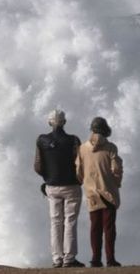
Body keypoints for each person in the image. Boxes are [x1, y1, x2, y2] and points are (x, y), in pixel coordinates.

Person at [34, 109, 85, 268]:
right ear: (64, 122)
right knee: (70, 221)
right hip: (71, 186)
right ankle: (69, 259)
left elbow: (37, 165)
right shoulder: (74, 140)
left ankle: (57, 259)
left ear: (50, 122)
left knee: (55, 222)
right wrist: (79, 180)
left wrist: (47, 178)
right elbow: (80, 164)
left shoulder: (41, 140)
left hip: (52, 186)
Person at [76, 117, 123, 268]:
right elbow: (116, 169)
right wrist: (116, 183)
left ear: (92, 129)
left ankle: (95, 259)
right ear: (105, 129)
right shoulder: (111, 147)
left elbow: (78, 170)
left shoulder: (83, 148)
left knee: (95, 226)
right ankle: (110, 259)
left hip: (91, 192)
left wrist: (86, 182)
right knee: (109, 228)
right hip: (108, 191)